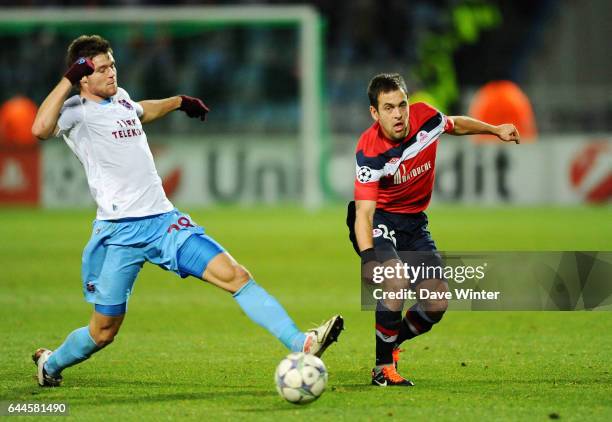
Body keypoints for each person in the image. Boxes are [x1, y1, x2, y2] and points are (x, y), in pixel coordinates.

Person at [30, 35, 343, 387]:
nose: (112, 73)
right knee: (103, 332)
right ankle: (51, 364)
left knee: (236, 275)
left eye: (113, 65)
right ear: (82, 77)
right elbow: (39, 129)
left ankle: (301, 342)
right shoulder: (75, 111)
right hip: (119, 234)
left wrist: (179, 101)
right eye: (102, 69)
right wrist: (66, 79)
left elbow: (142, 110)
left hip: (164, 222)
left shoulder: (119, 99)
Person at [346, 73, 519, 387]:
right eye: (388, 108)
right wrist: (369, 257)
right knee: (395, 281)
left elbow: (454, 123)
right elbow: (363, 213)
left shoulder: (426, 118)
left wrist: (494, 130)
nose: (398, 114)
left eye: (402, 105)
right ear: (375, 113)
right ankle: (382, 368)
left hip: (414, 223)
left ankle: (390, 342)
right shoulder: (369, 151)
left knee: (436, 302)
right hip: (380, 222)